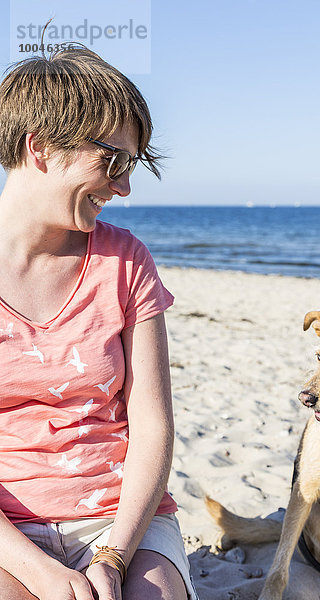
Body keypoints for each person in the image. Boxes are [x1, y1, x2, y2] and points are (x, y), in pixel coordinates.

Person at [0, 45, 197, 600]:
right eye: (114, 162)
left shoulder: (126, 261)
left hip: (124, 520)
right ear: (40, 146)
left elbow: (153, 425)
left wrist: (113, 556)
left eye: (130, 166)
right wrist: (38, 572)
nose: (125, 187)